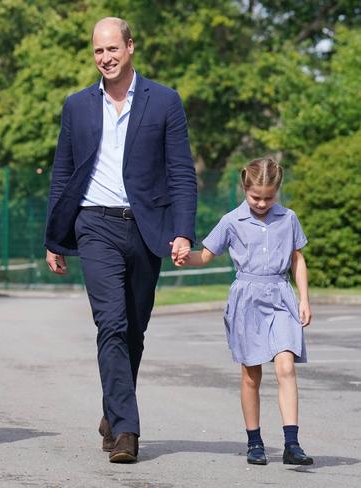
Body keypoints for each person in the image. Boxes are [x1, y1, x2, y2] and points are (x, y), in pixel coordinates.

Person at [44, 17, 197, 463]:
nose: (105, 58)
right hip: (94, 225)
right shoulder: (77, 106)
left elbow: (181, 172)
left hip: (147, 229)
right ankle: (127, 431)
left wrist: (183, 231)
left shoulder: (164, 101)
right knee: (110, 323)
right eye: (98, 51)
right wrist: (55, 236)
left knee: (134, 329)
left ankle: (113, 410)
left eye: (113, 49)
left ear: (130, 47)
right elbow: (62, 174)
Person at [177, 157, 313, 466]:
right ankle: (255, 442)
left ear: (277, 191)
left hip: (280, 296)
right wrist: (186, 256)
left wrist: (304, 298)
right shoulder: (230, 221)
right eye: (256, 197)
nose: (263, 203)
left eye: (269, 197)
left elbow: (297, 259)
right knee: (251, 373)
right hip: (247, 299)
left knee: (286, 367)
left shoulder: (288, 218)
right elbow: (207, 255)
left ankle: (292, 443)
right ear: (244, 188)